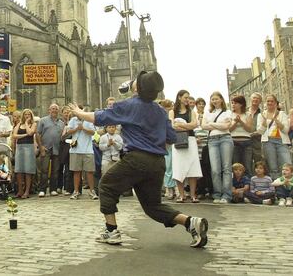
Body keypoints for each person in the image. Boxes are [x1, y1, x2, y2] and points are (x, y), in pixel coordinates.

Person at [67, 71, 209, 249]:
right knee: (153, 206)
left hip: (137, 158)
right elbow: (171, 137)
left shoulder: (129, 105)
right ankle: (191, 222)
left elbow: (98, 118)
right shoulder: (159, 110)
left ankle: (111, 231)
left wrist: (79, 112)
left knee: (106, 186)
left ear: (137, 88)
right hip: (157, 162)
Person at [170, 90, 202, 203]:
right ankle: (181, 195)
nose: (187, 100)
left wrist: (181, 125)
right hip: (178, 141)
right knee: (179, 167)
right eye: (185, 97)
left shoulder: (191, 111)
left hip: (191, 140)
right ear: (179, 97)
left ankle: (193, 195)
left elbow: (195, 124)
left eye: (188, 98)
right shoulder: (172, 111)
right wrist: (187, 126)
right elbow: (172, 126)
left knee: (193, 167)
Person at [202, 91, 233, 204]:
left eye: (216, 99)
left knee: (226, 168)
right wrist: (217, 125)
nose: (214, 101)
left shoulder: (227, 112)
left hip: (225, 139)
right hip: (212, 140)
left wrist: (212, 124)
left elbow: (226, 126)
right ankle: (217, 193)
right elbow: (203, 125)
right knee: (215, 169)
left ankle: (226, 195)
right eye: (212, 99)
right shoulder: (208, 113)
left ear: (221, 100)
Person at [256, 94, 292, 180]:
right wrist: (265, 123)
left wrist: (277, 122)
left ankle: (289, 185)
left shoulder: (282, 114)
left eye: (272, 101)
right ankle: (277, 187)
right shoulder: (261, 115)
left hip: (281, 141)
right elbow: (259, 131)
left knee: (287, 164)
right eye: (268, 101)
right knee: (273, 166)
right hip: (268, 142)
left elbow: (286, 130)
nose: (270, 103)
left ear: (276, 103)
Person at [65, 105, 97, 200]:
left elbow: (93, 132)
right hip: (75, 150)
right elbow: (68, 132)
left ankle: (92, 191)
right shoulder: (72, 120)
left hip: (88, 150)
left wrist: (83, 128)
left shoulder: (88, 120)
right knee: (76, 172)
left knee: (90, 172)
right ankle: (76, 191)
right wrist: (76, 129)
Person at [36, 103, 65, 197]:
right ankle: (42, 190)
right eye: (52, 109)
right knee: (44, 170)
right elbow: (38, 134)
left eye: (56, 109)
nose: (54, 110)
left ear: (58, 111)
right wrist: (41, 147)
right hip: (46, 148)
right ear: (49, 110)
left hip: (57, 149)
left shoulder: (61, 123)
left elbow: (62, 136)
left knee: (55, 170)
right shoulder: (43, 120)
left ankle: (53, 189)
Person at [13, 108, 37, 199]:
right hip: (20, 147)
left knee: (28, 170)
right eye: (25, 114)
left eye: (29, 114)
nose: (27, 116)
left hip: (29, 147)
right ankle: (20, 190)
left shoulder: (33, 124)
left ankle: (27, 191)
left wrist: (27, 123)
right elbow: (14, 135)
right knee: (19, 169)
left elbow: (30, 133)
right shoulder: (19, 124)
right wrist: (24, 135)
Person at [229, 95, 254, 176]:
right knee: (236, 166)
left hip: (246, 142)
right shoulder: (230, 114)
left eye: (235, 103)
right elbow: (229, 130)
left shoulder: (247, 114)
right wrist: (236, 122)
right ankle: (236, 186)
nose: (233, 105)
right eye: (232, 103)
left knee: (247, 165)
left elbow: (249, 129)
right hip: (234, 142)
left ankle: (248, 185)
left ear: (241, 104)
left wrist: (241, 121)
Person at [246, 93, 263, 174]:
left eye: (257, 98)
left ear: (260, 101)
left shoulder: (262, 113)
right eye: (254, 98)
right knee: (246, 163)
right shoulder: (244, 112)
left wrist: (254, 133)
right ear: (250, 99)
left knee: (258, 163)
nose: (255, 100)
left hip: (257, 142)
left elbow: (263, 128)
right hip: (245, 141)